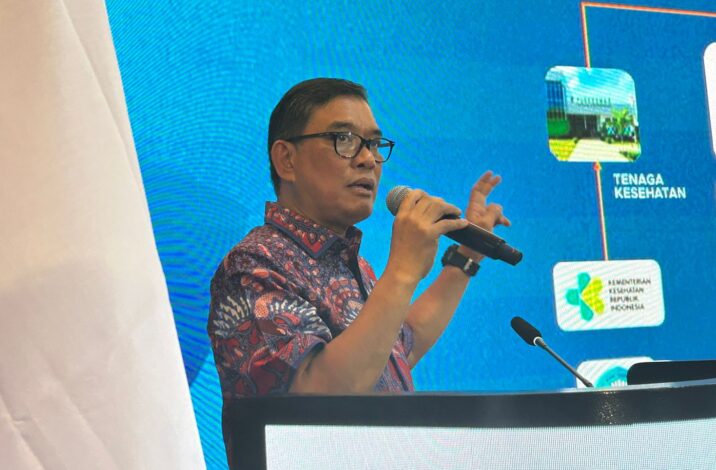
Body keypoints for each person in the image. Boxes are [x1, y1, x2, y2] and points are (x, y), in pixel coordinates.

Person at [208, 77, 510, 451]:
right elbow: (317, 403)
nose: (368, 159)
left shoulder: (351, 264)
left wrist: (465, 258)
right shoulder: (254, 265)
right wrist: (402, 272)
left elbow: (397, 349)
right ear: (287, 159)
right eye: (344, 139)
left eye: (373, 144)